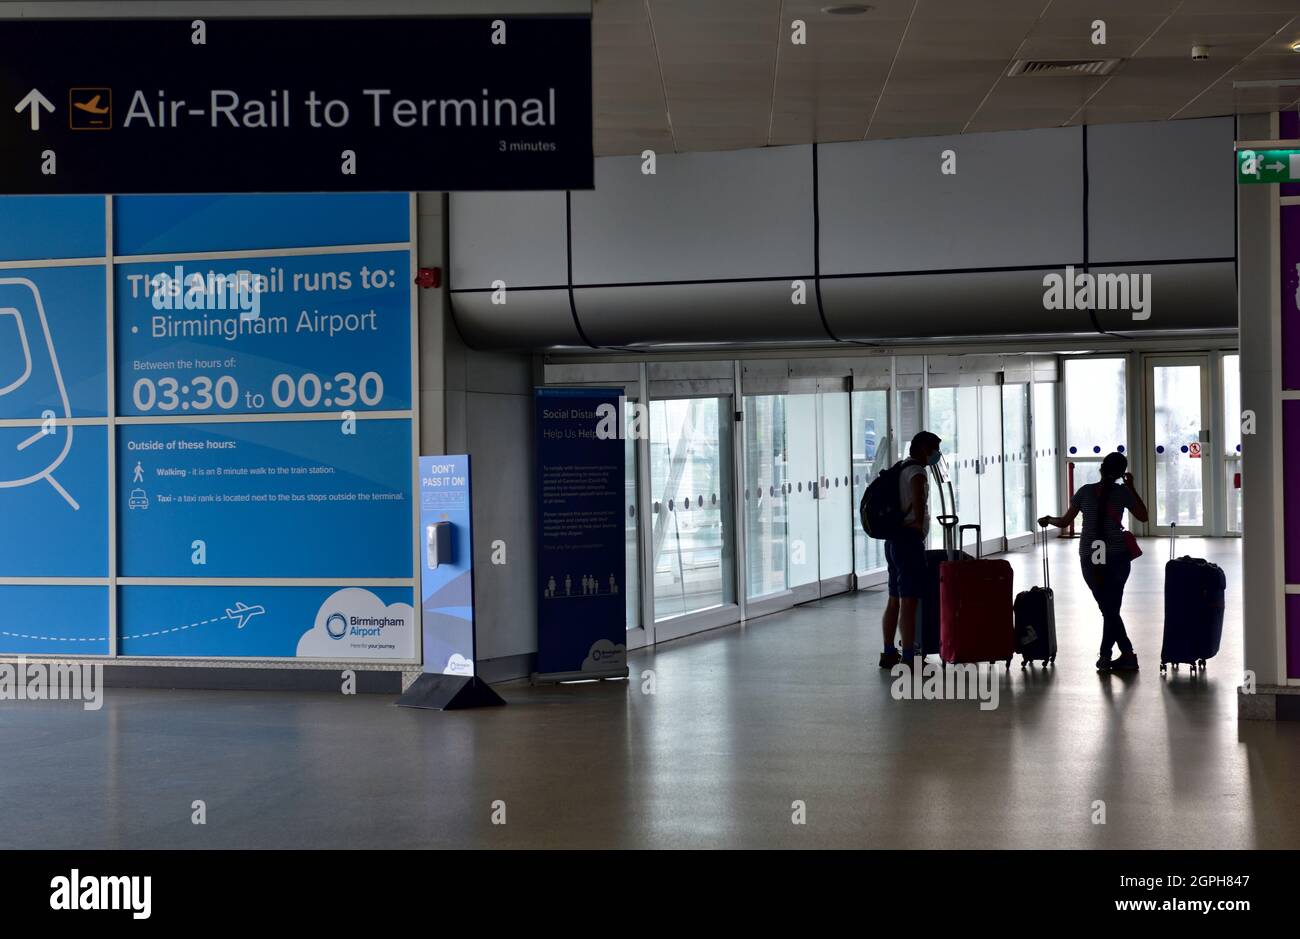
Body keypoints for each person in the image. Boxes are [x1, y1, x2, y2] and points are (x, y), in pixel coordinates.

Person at [1038, 451, 1149, 671]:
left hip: (1091, 557)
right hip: (1117, 557)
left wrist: (1047, 519)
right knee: (1111, 608)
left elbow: (1063, 522)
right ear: (1121, 473)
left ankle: (1113, 655)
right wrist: (1131, 487)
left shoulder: (1084, 492)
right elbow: (1143, 516)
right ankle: (1121, 654)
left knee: (1107, 608)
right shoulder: (1123, 493)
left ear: (1101, 468)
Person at [880, 431, 943, 669]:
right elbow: (918, 512)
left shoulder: (900, 468)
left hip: (893, 540)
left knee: (894, 599)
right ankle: (908, 657)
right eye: (935, 449)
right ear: (924, 448)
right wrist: (919, 527)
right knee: (910, 601)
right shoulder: (917, 473)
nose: (937, 454)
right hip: (909, 541)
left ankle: (888, 652)